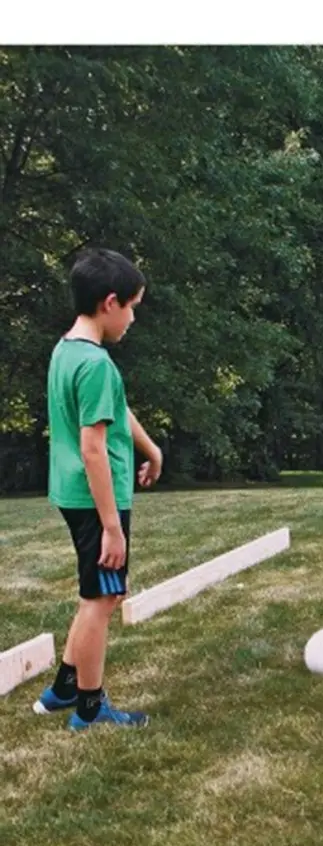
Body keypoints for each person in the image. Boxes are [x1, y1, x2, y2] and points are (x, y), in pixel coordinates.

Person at [34, 247, 163, 730]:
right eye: (132, 307)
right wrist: (112, 527)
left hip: (74, 494)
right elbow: (93, 449)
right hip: (95, 501)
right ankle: (90, 709)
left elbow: (117, 408)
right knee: (101, 600)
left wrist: (152, 450)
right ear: (110, 302)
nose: (132, 318)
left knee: (96, 593)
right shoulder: (96, 365)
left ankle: (64, 687)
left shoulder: (69, 351)